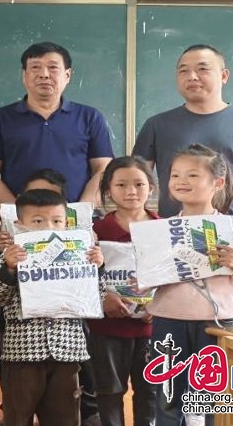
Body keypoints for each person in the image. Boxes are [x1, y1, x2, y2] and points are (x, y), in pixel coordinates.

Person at [133, 44, 233, 323]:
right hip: (176, 235)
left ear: (224, 75)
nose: (192, 76)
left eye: (202, 69)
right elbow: (136, 179)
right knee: (176, 322)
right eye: (183, 71)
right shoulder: (157, 124)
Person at [147, 143, 233, 426]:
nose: (181, 181)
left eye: (192, 175)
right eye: (175, 175)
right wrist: (141, 282)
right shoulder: (160, 230)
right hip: (169, 320)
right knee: (167, 397)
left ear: (218, 183)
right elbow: (151, 277)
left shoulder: (232, 228)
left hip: (216, 324)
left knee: (214, 398)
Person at [0, 189, 103, 426]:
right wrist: (9, 269)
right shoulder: (9, 257)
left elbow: (97, 300)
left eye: (56, 221)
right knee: (17, 416)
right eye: (38, 221)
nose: (48, 227)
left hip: (67, 350)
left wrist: (97, 269)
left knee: (65, 417)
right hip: (22, 353)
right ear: (20, 225)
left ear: (66, 224)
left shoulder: (81, 256)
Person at [0, 41, 113, 204]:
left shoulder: (90, 117)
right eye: (35, 67)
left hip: (76, 215)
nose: (44, 74)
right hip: (18, 217)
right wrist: (18, 212)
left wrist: (80, 211)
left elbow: (103, 170)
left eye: (53, 67)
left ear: (67, 75)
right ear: (24, 75)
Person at [89, 156, 158, 426]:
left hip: (153, 328)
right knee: (109, 391)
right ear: (108, 190)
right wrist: (102, 298)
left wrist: (160, 305)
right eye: (121, 185)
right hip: (107, 327)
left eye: (139, 184)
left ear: (151, 188)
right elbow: (81, 278)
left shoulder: (164, 229)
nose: (131, 191)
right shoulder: (95, 232)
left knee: (151, 392)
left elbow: (178, 277)